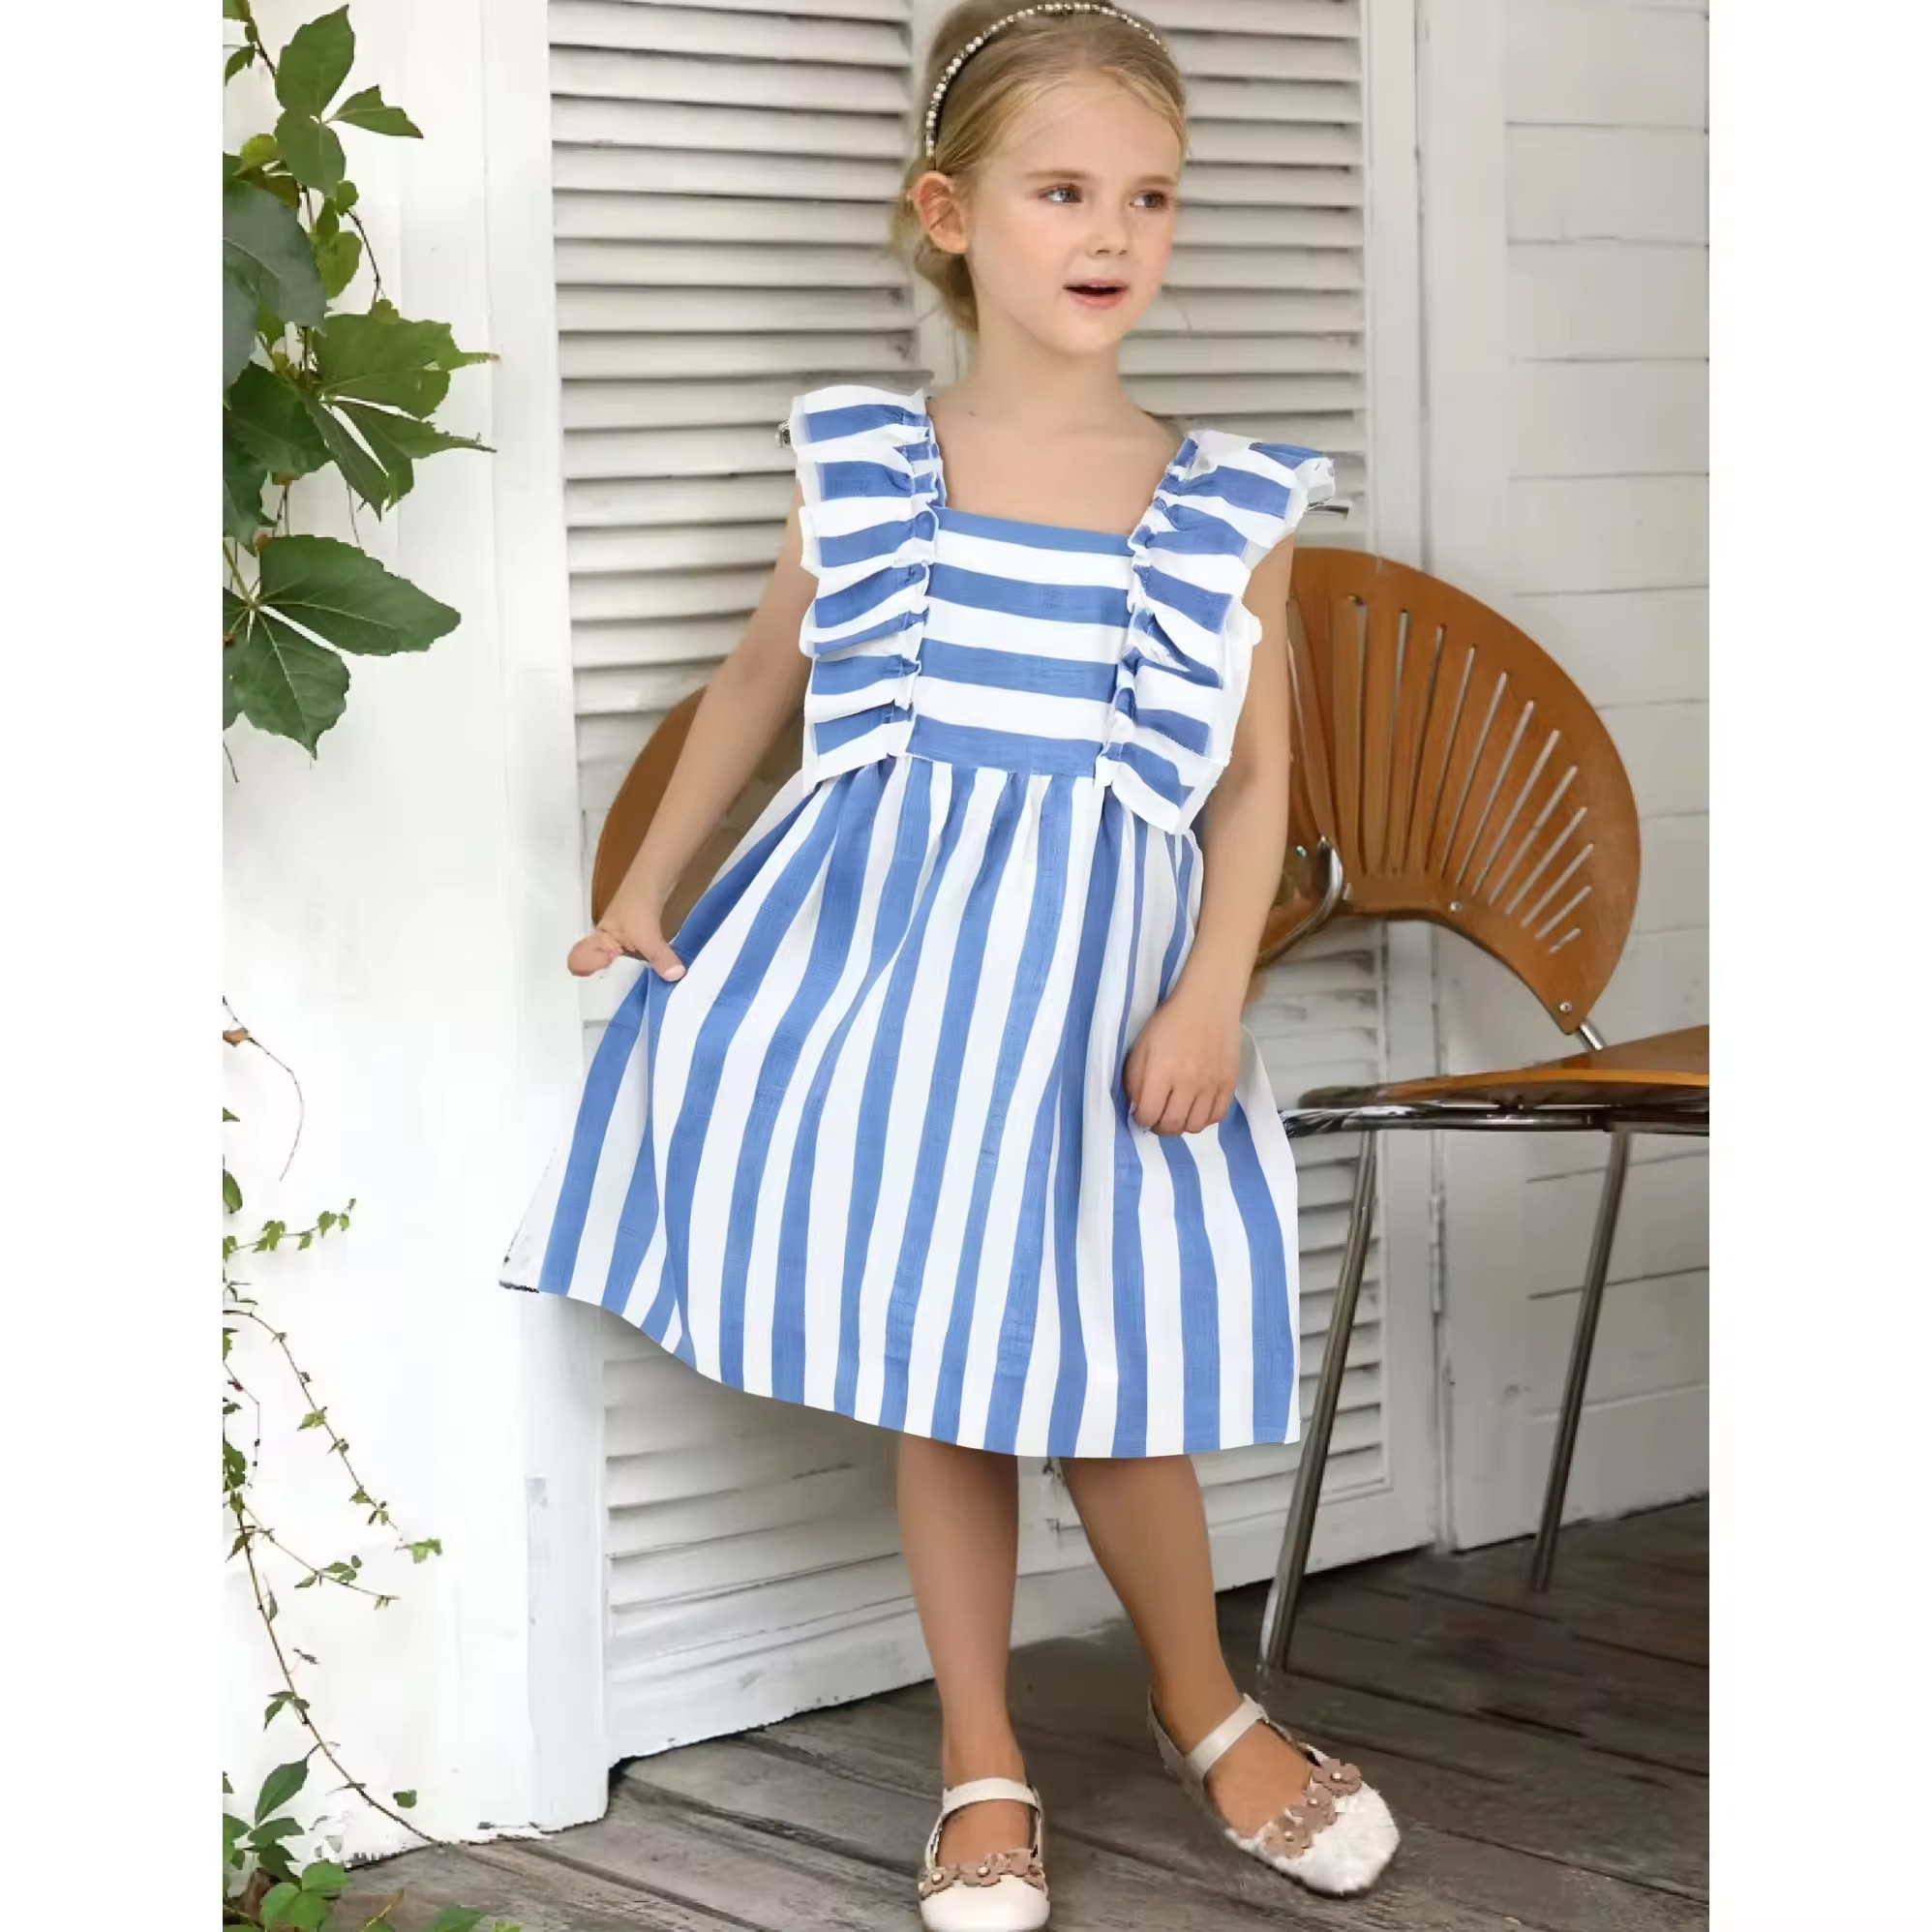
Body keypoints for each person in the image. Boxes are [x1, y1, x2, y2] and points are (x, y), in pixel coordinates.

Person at [502, 2, 1400, 1920]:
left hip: (1104, 1004)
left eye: (1149, 196)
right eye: (1061, 190)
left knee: (1115, 1371)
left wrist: (1213, 989)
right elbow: (759, 680)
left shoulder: (1223, 500)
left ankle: (1203, 1705)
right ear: (948, 213)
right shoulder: (869, 461)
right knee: (946, 1370)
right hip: (895, 990)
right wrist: (649, 884)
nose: (1112, 232)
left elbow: (1258, 784)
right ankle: (979, 1759)